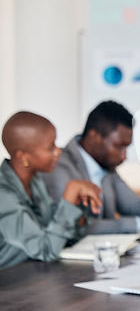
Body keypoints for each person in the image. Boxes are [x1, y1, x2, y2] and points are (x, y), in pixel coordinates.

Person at [41, 100, 140, 235]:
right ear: (94, 137)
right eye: (119, 146)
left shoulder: (106, 167)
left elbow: (135, 205)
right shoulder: (58, 165)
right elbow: (73, 224)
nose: (124, 156)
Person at [0, 111, 102, 269]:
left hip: (31, 274)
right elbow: (47, 249)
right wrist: (68, 199)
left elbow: (58, 234)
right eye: (50, 147)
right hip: (9, 284)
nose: (58, 151)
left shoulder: (34, 181)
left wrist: (77, 209)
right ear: (23, 156)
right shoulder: (3, 195)